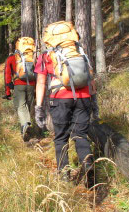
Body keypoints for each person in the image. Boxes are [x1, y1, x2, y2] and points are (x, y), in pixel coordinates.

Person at [33, 21, 99, 186]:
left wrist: (39, 108)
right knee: (80, 135)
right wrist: (94, 101)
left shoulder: (46, 56)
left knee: (61, 137)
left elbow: (41, 83)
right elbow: (90, 77)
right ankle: (88, 164)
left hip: (60, 98)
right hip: (83, 97)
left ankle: (64, 176)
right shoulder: (78, 52)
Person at [4, 37, 37, 141]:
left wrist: (8, 92)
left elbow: (7, 75)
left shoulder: (12, 58)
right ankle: (28, 127)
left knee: (21, 106)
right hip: (31, 85)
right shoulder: (33, 57)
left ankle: (25, 125)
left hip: (19, 84)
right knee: (28, 106)